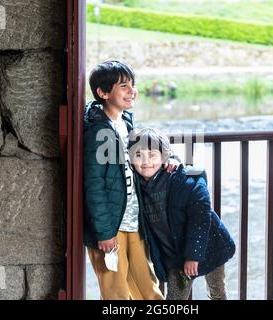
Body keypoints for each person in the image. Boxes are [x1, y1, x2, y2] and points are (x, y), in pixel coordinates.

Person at [83, 60, 166, 300]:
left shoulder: (126, 122)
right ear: (103, 92)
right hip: (110, 227)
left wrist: (169, 162)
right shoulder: (98, 131)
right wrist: (104, 232)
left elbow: (142, 158)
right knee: (116, 293)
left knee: (148, 288)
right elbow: (94, 186)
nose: (132, 91)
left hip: (133, 220)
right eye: (124, 86)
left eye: (133, 85)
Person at [128, 128, 236, 300]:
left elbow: (200, 217)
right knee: (175, 299)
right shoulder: (135, 183)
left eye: (153, 155)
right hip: (175, 257)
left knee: (217, 292)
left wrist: (193, 256)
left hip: (209, 245)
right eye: (139, 155)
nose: (146, 161)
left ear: (164, 157)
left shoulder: (181, 179)